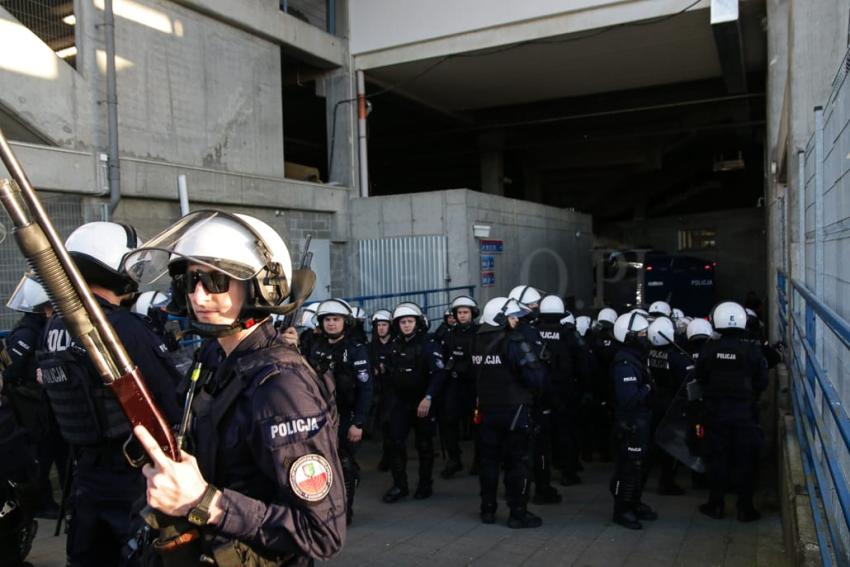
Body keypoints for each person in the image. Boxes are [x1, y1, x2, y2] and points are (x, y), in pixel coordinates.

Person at [125, 210, 346, 565]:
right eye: (191, 280)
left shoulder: (282, 387)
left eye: (217, 281)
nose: (199, 296)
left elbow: (322, 532)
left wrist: (207, 503)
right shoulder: (212, 357)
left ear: (261, 286)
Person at [36, 221, 183, 566]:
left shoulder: (54, 327)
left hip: (85, 475)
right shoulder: (123, 329)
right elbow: (171, 401)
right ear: (108, 264)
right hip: (131, 478)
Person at [472, 297, 546, 528]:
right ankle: (518, 513)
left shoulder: (476, 340)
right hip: (514, 411)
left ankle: (487, 510)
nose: (516, 321)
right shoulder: (513, 341)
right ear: (501, 318)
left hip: (486, 411)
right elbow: (536, 377)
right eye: (513, 317)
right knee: (518, 463)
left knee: (489, 462)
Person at [695, 302, 768, 522]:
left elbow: (700, 377)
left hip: (715, 412)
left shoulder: (709, 349)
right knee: (744, 460)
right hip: (744, 414)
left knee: (717, 459)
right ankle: (745, 508)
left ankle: (715, 505)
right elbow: (762, 381)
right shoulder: (752, 351)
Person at [3, 273, 66, 519]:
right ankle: (41, 503)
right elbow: (11, 369)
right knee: (42, 452)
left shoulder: (39, 326)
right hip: (32, 402)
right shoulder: (29, 330)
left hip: (41, 401)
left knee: (52, 450)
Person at [305, 299, 373, 525]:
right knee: (321, 465)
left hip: (347, 417)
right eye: (327, 320)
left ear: (346, 322)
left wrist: (359, 423)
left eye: (336, 319)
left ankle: (347, 511)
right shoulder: (314, 346)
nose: (331, 324)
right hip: (320, 417)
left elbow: (366, 388)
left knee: (344, 465)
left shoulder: (356, 350)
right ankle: (326, 510)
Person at [381, 302, 444, 503]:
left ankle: (425, 484)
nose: (406, 325)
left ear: (417, 323)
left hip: (423, 401)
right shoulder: (394, 345)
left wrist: (429, 397)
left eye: (410, 321)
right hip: (401, 402)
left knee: (424, 444)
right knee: (394, 442)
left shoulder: (428, 344)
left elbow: (439, 374)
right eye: (402, 322)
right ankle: (400, 486)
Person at [609, 311, 658, 530]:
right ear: (629, 336)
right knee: (629, 467)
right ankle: (622, 509)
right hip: (630, 422)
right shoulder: (624, 362)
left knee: (641, 466)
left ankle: (634, 503)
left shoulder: (636, 358)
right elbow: (628, 398)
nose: (646, 337)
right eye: (642, 333)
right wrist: (647, 388)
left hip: (641, 420)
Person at [647, 317, 693, 495]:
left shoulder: (647, 352)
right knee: (670, 444)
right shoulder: (677, 357)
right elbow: (688, 379)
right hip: (672, 404)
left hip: (654, 401)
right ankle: (666, 481)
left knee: (653, 440)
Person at [438, 295, 479, 479]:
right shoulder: (449, 333)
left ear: (472, 314)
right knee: (448, 421)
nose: (462, 316)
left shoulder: (479, 333)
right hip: (454, 384)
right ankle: (454, 459)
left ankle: (480, 459)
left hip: (474, 385)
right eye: (459, 312)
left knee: (478, 424)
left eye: (466, 312)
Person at [369, 309, 394, 472]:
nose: (381, 328)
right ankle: (387, 456)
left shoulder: (396, 344)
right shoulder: (372, 346)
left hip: (394, 390)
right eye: (379, 325)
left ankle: (392, 456)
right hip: (378, 390)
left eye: (384, 325)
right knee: (383, 426)